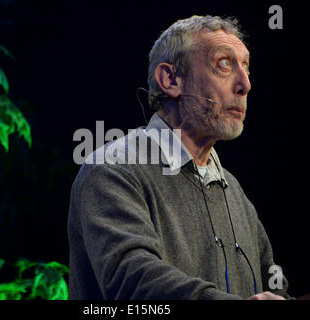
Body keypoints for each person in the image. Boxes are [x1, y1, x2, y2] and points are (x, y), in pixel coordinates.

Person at [68, 15, 292, 300]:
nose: (245, 84)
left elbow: (274, 286)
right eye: (224, 64)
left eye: (246, 67)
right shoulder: (113, 170)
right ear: (171, 80)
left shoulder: (233, 190)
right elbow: (135, 283)